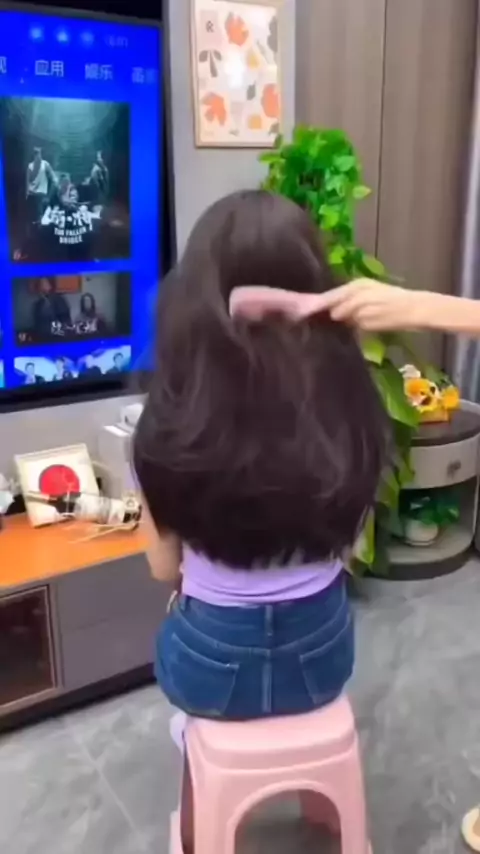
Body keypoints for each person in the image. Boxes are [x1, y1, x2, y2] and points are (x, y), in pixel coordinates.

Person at [230, 275, 480, 849]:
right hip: (324, 658)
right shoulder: (346, 443)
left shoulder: (165, 447)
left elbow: (163, 568)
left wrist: (421, 304)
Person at [133, 190, 387, 722]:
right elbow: (352, 545)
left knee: (177, 626)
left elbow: (162, 568)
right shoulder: (352, 409)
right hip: (323, 660)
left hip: (207, 669)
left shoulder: (165, 425)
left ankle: (201, 746)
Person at [26, 147, 56, 223]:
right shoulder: (30, 166)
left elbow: (54, 179)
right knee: (34, 219)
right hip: (33, 195)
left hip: (40, 196)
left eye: (38, 153)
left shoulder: (45, 164)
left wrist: (48, 196)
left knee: (39, 219)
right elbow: (27, 182)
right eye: (36, 153)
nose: (37, 155)